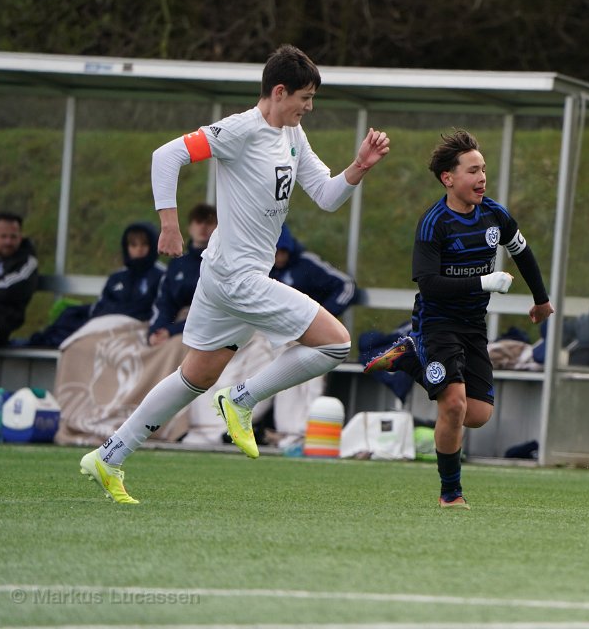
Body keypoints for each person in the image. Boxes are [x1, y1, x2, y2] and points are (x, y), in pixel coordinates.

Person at [79, 43, 390, 504]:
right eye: (305, 97)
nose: (309, 107)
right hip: (236, 278)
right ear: (279, 91)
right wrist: (169, 224)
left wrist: (359, 167)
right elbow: (166, 156)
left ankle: (109, 455)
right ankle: (242, 398)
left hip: (227, 275)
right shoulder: (241, 129)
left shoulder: (292, 133)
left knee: (194, 377)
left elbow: (326, 196)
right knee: (335, 343)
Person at [363, 129, 553, 509]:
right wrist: (484, 282)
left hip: (473, 326)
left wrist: (541, 300)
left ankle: (409, 358)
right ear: (448, 178)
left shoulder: (495, 214)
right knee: (453, 405)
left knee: (478, 414)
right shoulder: (434, 223)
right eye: (472, 171)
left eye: (483, 169)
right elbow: (430, 285)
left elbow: (522, 252)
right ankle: (451, 493)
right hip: (436, 323)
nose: (482, 178)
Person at [23, 222, 165, 348]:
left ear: (153, 246)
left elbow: (156, 308)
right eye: (133, 245)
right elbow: (100, 306)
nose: (139, 249)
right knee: (70, 313)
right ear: (126, 247)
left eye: (144, 245)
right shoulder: (117, 277)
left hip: (134, 325)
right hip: (106, 320)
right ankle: (43, 341)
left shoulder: (160, 275)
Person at [147, 203, 218, 346]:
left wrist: (172, 331)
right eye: (198, 222)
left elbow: (215, 309)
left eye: (209, 222)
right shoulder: (177, 263)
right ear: (190, 227)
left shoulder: (222, 263)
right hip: (176, 325)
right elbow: (165, 302)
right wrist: (157, 330)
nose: (203, 227)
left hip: (207, 328)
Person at [270, 223, 360, 317]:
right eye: (275, 253)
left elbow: (346, 285)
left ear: (290, 248)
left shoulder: (307, 264)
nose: (280, 258)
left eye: (284, 251)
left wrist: (322, 316)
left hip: (307, 323)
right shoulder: (264, 269)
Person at [0, 211, 38, 348]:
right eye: (3, 236)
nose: (8, 242)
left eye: (13, 237)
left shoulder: (27, 261)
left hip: (0, 322)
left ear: (20, 237)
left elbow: (9, 289)